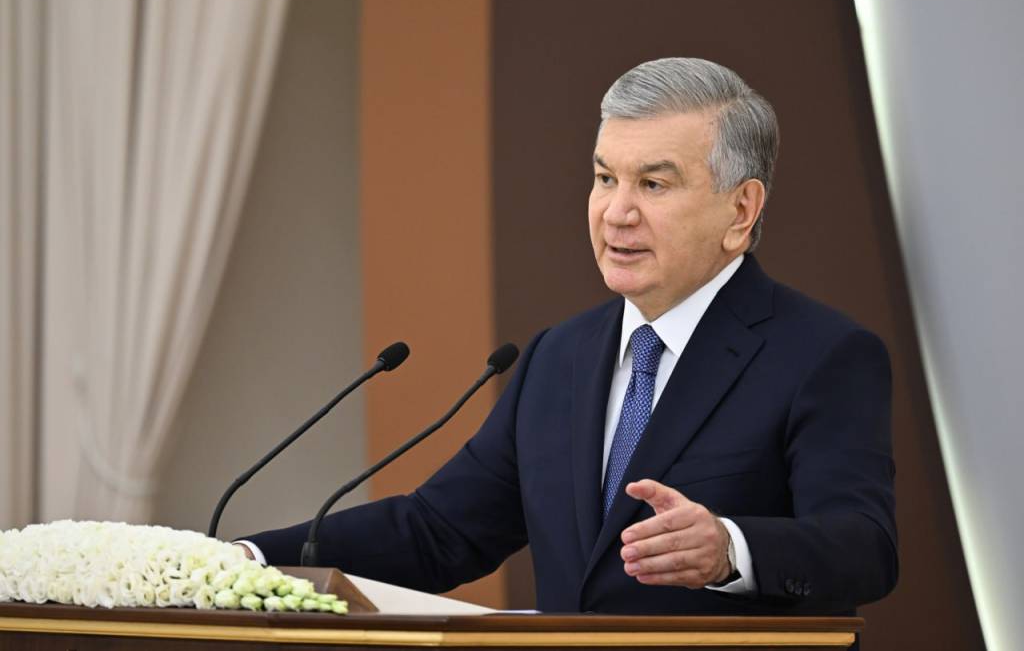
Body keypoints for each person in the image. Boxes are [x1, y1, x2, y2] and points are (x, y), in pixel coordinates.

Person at [241, 57, 897, 616]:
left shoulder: (821, 354)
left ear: (741, 210)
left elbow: (865, 546)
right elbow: (437, 531)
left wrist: (731, 549)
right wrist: (242, 560)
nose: (617, 212)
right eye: (605, 178)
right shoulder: (559, 356)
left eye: (653, 184)